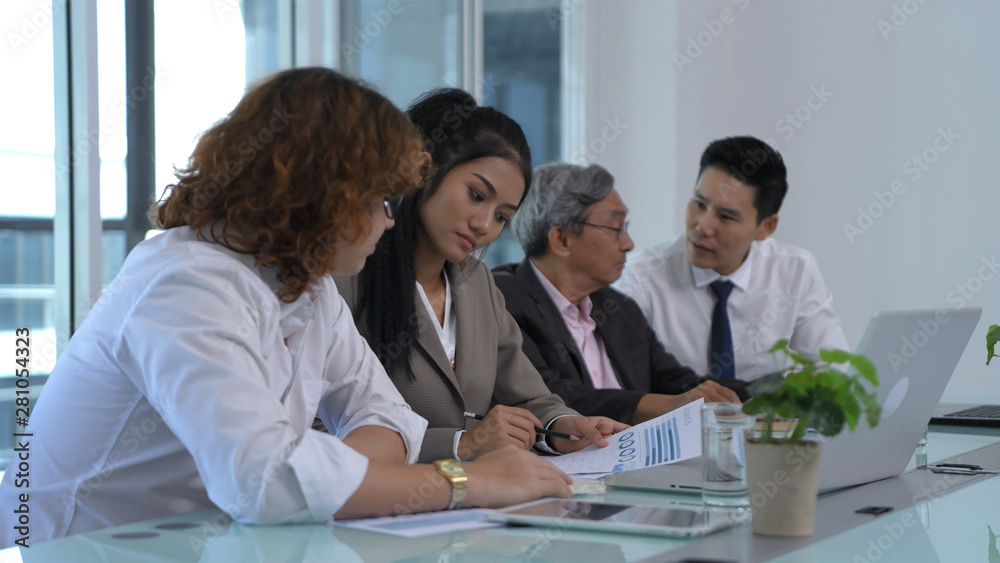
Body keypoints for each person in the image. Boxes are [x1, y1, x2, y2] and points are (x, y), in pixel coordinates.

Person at [0, 68, 574, 548]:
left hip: (216, 542)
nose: (389, 218)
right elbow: (267, 481)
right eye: (377, 199)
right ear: (325, 195)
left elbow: (389, 418)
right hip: (77, 545)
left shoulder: (309, 285)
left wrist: (315, 479)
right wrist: (463, 481)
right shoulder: (184, 284)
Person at [337, 88, 628, 463]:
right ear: (425, 169)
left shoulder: (476, 283)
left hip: (473, 504)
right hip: (377, 508)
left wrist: (561, 427)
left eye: (503, 216)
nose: (484, 224)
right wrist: (460, 444)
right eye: (476, 194)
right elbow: (321, 432)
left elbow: (530, 398)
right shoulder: (346, 278)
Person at [492, 163, 744, 425]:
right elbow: (544, 395)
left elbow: (678, 384)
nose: (629, 244)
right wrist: (665, 404)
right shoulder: (499, 299)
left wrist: (772, 392)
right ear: (562, 239)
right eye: (616, 228)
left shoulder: (619, 307)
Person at [617, 136, 848, 382]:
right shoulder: (641, 276)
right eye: (699, 203)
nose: (702, 226)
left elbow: (833, 370)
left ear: (766, 227)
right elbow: (624, 386)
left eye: (726, 217)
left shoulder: (794, 270)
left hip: (765, 419)